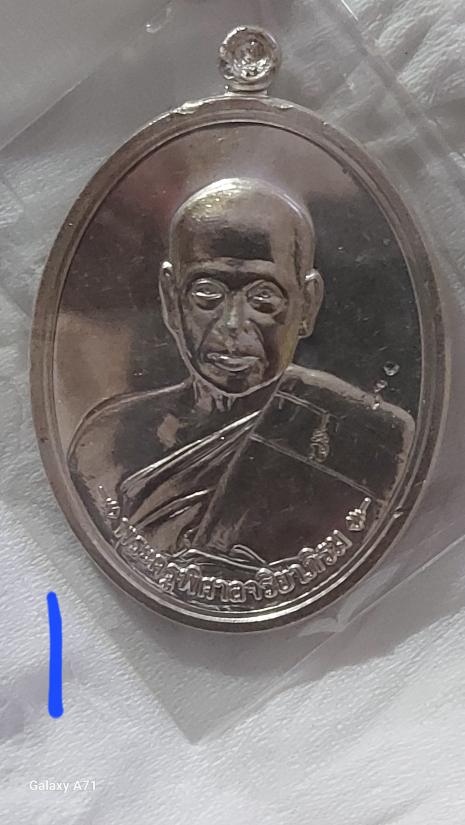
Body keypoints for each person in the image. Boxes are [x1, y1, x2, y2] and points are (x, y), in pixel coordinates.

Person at [68, 178, 414, 573]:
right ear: (170, 299)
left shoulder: (368, 438)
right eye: (207, 294)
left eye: (263, 297)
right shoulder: (102, 443)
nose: (233, 324)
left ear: (307, 304)